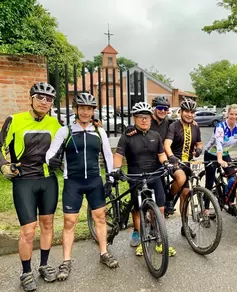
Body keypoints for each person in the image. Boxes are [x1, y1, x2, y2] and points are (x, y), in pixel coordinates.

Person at [46, 92, 118, 281]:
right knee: (70, 221)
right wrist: (51, 160)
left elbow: (108, 156)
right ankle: (66, 261)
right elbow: (51, 153)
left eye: (89, 109)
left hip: (94, 180)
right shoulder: (65, 131)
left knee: (100, 218)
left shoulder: (99, 131)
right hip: (74, 182)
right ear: (75, 109)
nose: (86, 112)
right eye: (82, 108)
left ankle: (104, 254)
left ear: (93, 111)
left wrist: (109, 178)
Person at [0, 82, 61, 291]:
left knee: (47, 225)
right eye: (40, 97)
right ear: (31, 98)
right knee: (28, 230)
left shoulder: (55, 124)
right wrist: (4, 167)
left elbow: (70, 143)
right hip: (24, 181)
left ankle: (44, 265)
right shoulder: (14, 120)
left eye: (49, 99)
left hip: (48, 180)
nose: (45, 102)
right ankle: (26, 272)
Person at [113, 102, 177, 257]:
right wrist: (116, 169)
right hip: (135, 176)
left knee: (160, 209)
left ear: (150, 118)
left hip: (154, 175)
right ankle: (142, 240)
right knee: (138, 209)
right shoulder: (127, 136)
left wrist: (166, 163)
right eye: (140, 117)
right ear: (134, 118)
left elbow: (161, 155)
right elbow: (119, 155)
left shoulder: (155, 136)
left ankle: (161, 240)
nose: (144, 120)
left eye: (147, 117)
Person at [164, 98, 203, 236]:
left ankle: (185, 226)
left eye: (192, 112)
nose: (189, 114)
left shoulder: (195, 127)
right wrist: (171, 156)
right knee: (180, 178)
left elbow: (199, 144)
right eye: (186, 111)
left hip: (188, 164)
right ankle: (169, 198)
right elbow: (167, 144)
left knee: (185, 194)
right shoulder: (174, 126)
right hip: (175, 162)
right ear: (181, 112)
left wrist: (199, 150)